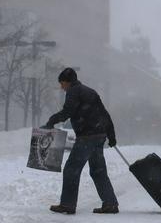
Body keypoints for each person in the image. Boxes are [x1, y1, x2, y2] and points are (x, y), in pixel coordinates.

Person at [41, 67, 119, 215]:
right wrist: (111, 135)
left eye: (62, 83)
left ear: (67, 82)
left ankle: (67, 205)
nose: (61, 87)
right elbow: (104, 114)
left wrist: (52, 121)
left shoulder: (73, 91)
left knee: (71, 169)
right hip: (99, 135)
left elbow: (67, 112)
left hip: (87, 137)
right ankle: (110, 204)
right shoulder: (90, 91)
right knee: (98, 171)